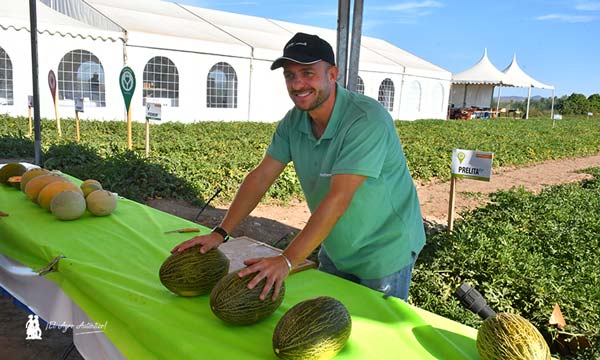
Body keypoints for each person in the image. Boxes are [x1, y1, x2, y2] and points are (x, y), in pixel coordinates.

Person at [172, 32, 425, 302]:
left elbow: (339, 198)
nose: (297, 83)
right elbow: (261, 178)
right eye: (290, 75)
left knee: (375, 334)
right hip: (336, 245)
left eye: (308, 73)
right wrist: (221, 233)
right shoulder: (293, 122)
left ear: (332, 74)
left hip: (384, 251)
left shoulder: (366, 120)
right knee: (327, 323)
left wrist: (287, 260)